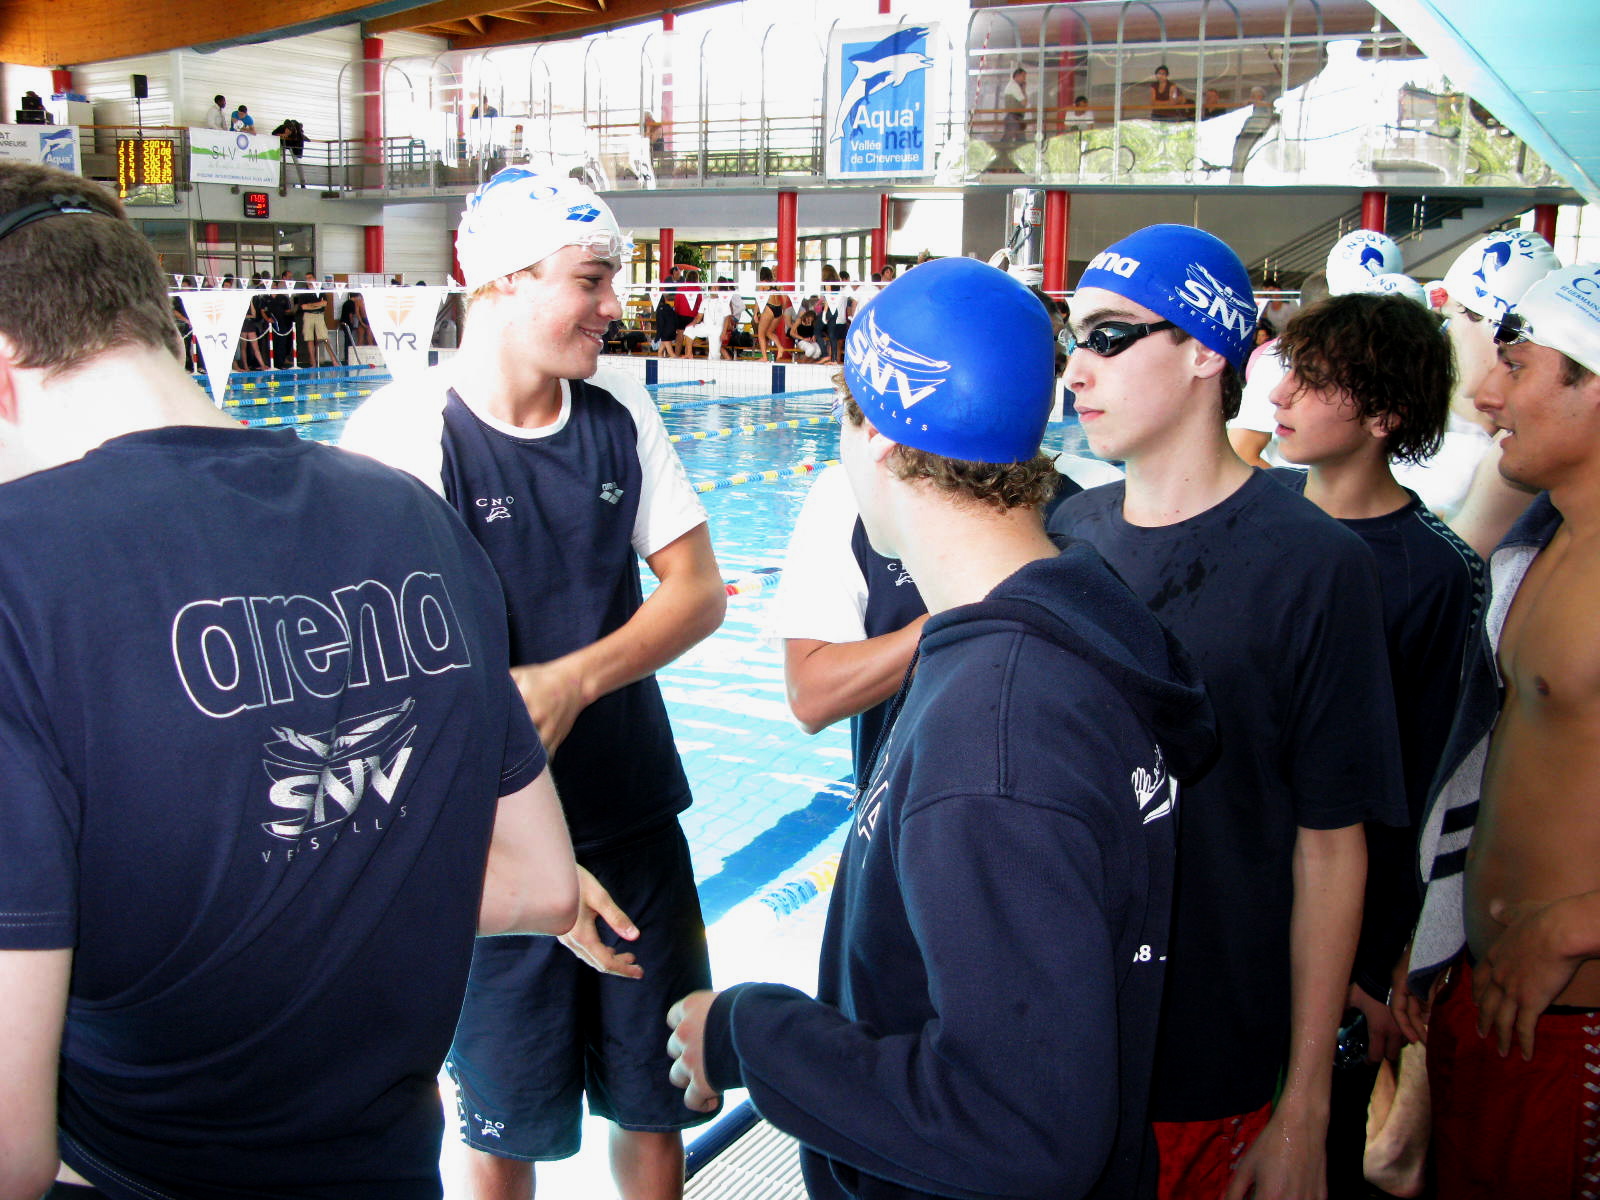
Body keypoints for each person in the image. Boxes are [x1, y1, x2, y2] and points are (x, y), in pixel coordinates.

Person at [0, 161, 581, 1199]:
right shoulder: (409, 517)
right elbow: (543, 884)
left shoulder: (17, 577)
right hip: (390, 1171)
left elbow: (12, 1153)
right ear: (155, 317)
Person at [667, 256, 1216, 1200]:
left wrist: (748, 1033)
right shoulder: (1074, 625)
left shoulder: (994, 736)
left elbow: (1022, 1129)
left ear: (880, 435)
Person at [340, 166, 726, 1200]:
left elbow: (698, 594)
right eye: (591, 280)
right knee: (499, 1127)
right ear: (505, 281)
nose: (614, 306)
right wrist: (537, 880)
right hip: (488, 850)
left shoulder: (618, 409)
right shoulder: (403, 434)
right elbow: (389, 682)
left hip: (633, 821)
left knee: (658, 1103)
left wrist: (569, 681)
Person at [1049, 224, 1407, 1200]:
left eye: (1110, 337)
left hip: (1214, 1056)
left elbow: (1330, 847)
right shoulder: (1068, 534)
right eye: (1074, 339)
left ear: (1206, 351)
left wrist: (1305, 1106)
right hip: (1066, 1046)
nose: (1076, 369)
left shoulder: (1317, 565)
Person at [1265, 292, 1486, 1198]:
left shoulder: (1436, 572)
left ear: (1384, 415)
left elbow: (1426, 786)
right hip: (1240, 911)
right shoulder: (1256, 515)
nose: (1279, 395)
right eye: (1289, 371)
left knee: (1314, 1158)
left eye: (1313, 381)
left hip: (1343, 929)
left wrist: (1378, 963)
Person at [1398, 262, 1600, 1200]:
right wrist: (1442, 925)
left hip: (1572, 1024)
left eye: (1516, 368)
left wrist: (1572, 929)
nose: (1486, 396)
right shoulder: (1546, 542)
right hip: (1489, 996)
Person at [294, 271, 335, 368]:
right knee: (309, 339)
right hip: (308, 316)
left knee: (325, 338)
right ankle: (313, 362)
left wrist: (311, 305)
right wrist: (317, 305)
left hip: (319, 315)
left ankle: (334, 360)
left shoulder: (320, 290)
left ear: (314, 279)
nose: (308, 280)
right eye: (306, 278)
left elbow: (324, 303)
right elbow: (303, 307)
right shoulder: (304, 292)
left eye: (310, 278)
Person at [272, 117, 307, 191]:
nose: (287, 132)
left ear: (292, 130)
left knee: (298, 164)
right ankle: (276, 181)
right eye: (286, 130)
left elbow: (303, 138)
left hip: (294, 146)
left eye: (289, 132)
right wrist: (282, 134)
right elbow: (273, 134)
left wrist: (298, 153)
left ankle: (303, 184)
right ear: (285, 128)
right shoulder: (282, 127)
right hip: (283, 144)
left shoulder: (297, 132)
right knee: (277, 160)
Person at [1002, 66, 1029, 143]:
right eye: (1023, 76)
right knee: (1011, 139)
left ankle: (1001, 149)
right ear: (1017, 76)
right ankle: (1000, 149)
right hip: (1013, 117)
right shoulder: (1014, 86)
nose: (1024, 79)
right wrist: (1023, 90)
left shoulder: (1014, 85)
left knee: (1018, 139)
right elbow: (1024, 102)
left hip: (1015, 117)